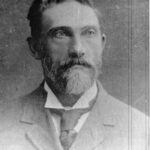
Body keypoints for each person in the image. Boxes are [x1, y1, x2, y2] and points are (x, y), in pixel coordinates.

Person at [0, 0, 149, 150]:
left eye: (89, 33)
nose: (77, 49)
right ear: (35, 48)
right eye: (61, 34)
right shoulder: (4, 122)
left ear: (102, 43)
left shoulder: (140, 128)